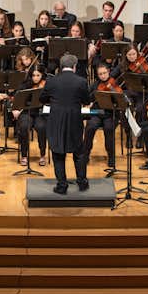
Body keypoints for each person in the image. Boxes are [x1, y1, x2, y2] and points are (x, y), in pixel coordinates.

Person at [39, 53, 91, 194]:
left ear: (61, 67)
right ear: (74, 67)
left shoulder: (51, 81)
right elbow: (86, 100)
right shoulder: (81, 81)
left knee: (58, 153)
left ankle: (62, 186)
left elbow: (42, 99)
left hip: (56, 120)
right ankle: (82, 183)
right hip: (75, 120)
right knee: (78, 152)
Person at [83, 63, 121, 169]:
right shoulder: (95, 85)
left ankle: (111, 157)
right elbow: (87, 97)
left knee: (109, 128)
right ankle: (85, 155)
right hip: (97, 113)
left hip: (110, 113)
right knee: (90, 127)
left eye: (104, 73)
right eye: (100, 74)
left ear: (108, 72)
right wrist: (90, 99)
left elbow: (120, 100)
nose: (103, 76)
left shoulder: (115, 83)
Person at [12, 66, 48, 166]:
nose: (36, 78)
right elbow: (17, 99)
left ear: (42, 75)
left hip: (40, 112)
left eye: (38, 75)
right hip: (26, 112)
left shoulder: (46, 85)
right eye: (33, 75)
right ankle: (24, 155)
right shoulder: (24, 85)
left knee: (41, 127)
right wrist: (16, 109)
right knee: (24, 127)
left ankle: (42, 154)